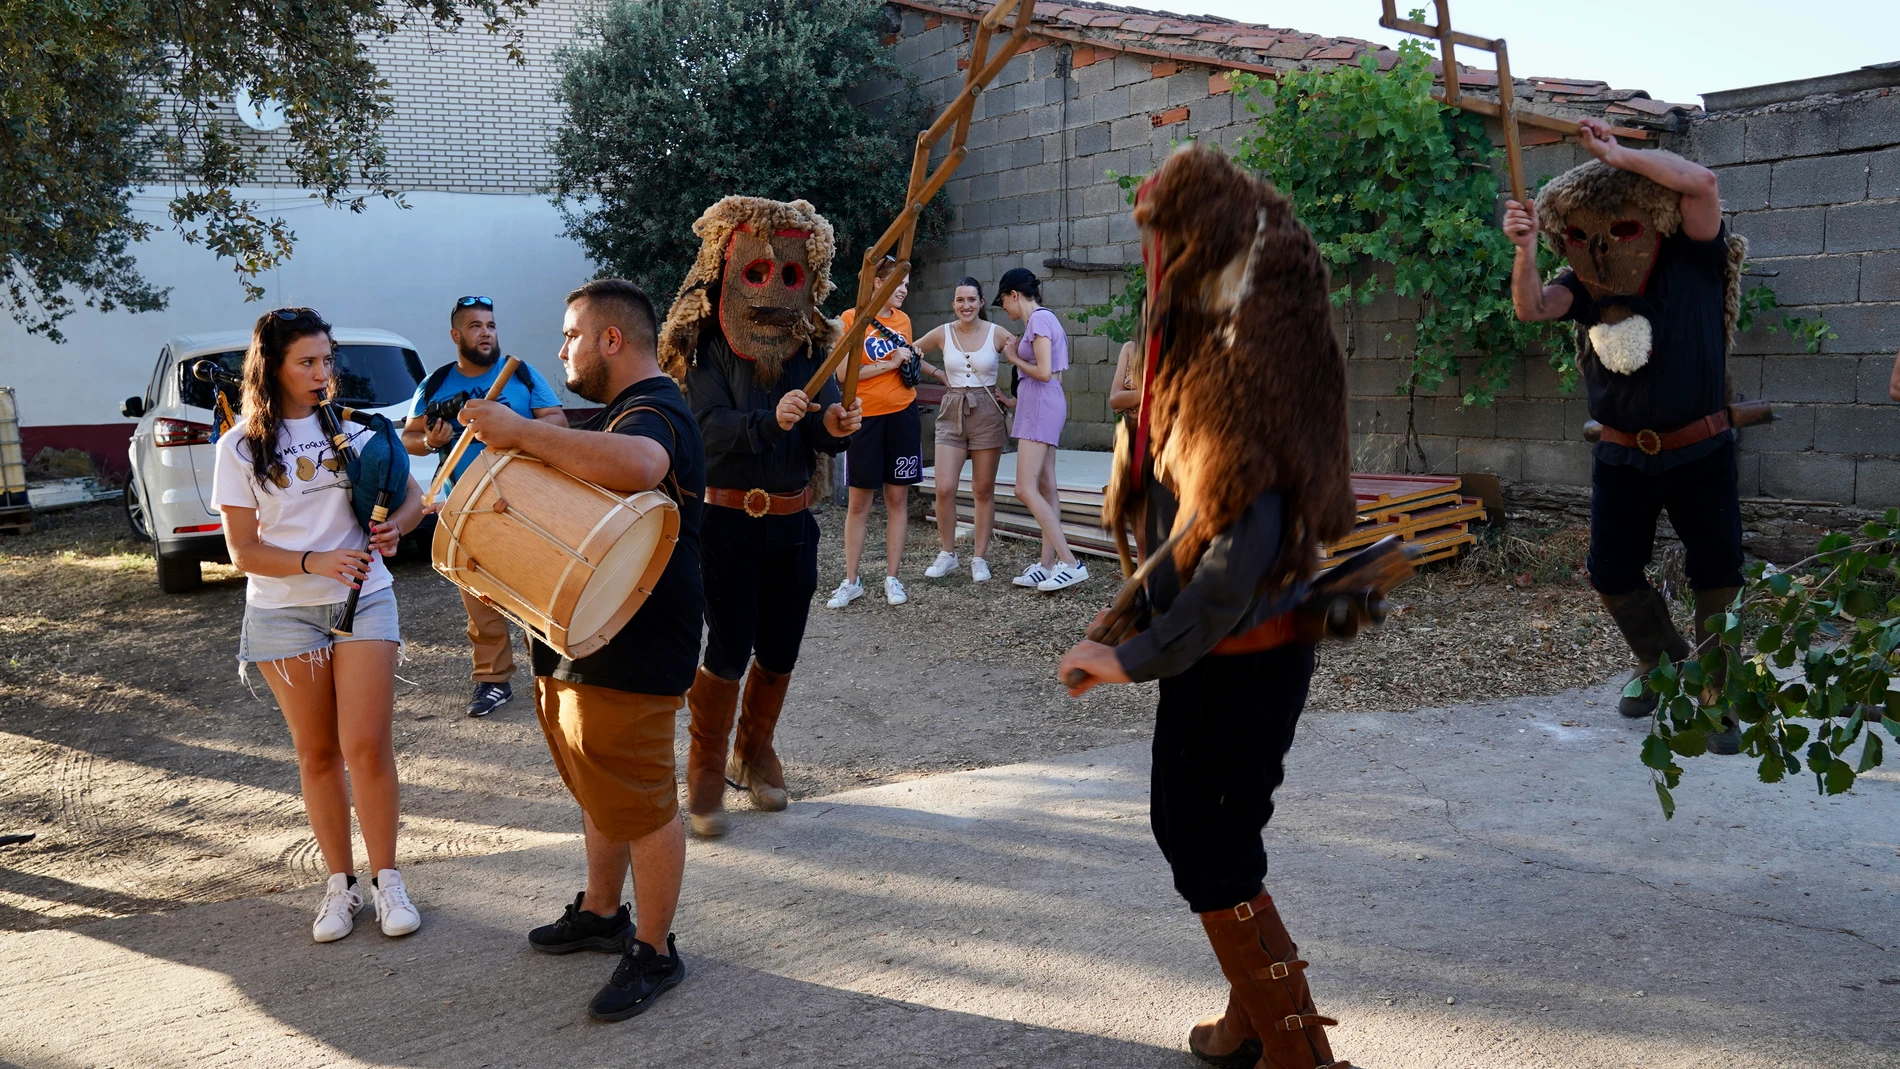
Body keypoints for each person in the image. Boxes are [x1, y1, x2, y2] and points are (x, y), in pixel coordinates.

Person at [1058, 144, 1359, 1069]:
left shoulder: (1242, 377)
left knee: (1207, 840)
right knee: (1212, 831)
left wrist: (1135, 653)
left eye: (1160, 237)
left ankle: (1296, 1046)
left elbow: (1236, 557)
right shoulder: (1222, 350)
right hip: (1236, 649)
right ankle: (1256, 1022)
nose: (1152, 256)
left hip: (1242, 648)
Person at [454, 278, 701, 1022]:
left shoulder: (658, 412)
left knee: (643, 794)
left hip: (635, 641)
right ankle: (602, 911)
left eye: (570, 334)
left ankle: (656, 948)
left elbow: (642, 468)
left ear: (610, 339)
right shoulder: (623, 412)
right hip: (587, 633)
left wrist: (521, 431)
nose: (562, 347)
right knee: (601, 780)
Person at [1504, 116, 1747, 752]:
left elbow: (1702, 181)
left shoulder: (1694, 252)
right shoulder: (1587, 279)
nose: (1605, 242)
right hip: (1620, 455)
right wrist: (1525, 249)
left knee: (1717, 571)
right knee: (1611, 572)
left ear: (1648, 214)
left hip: (1702, 448)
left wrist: (1617, 155)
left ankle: (1719, 695)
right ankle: (1664, 667)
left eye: (1620, 227)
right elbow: (1532, 307)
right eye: (1586, 234)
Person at [213, 307, 428, 944]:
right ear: (272, 366)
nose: (321, 373)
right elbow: (243, 552)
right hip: (282, 612)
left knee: (366, 745)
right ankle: (342, 887)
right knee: (317, 754)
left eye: (326, 360)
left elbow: (412, 494)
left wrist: (400, 524)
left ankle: (389, 880)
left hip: (365, 597)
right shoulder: (239, 447)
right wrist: (315, 559)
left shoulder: (358, 430)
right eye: (306, 362)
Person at [654, 196, 862, 838]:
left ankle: (755, 750)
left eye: (790, 277)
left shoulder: (810, 345)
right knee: (728, 646)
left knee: (782, 646)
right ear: (726, 268)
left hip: (794, 523)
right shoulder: (707, 346)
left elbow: (823, 431)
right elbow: (706, 431)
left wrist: (834, 424)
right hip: (726, 525)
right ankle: (707, 770)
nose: (773, 289)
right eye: (756, 273)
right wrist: (769, 422)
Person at [402, 296, 568, 718]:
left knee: (538, 587)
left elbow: (558, 422)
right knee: (479, 596)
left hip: (526, 498)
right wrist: (432, 442)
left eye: (491, 325)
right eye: (475, 326)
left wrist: (514, 428)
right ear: (457, 335)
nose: (486, 333)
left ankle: (552, 674)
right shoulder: (435, 384)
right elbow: (409, 439)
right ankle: (493, 682)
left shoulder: (521, 373)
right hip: (466, 504)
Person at [827, 257, 925, 608]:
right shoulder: (850, 320)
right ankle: (851, 581)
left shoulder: (904, 321)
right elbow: (841, 375)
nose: (903, 289)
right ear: (875, 283)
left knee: (898, 498)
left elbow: (903, 368)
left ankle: (893, 577)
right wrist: (890, 362)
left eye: (906, 284)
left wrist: (909, 360)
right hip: (865, 417)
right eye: (897, 282)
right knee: (859, 501)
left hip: (903, 413)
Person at [910, 276, 1015, 583]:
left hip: (986, 410)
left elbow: (1025, 357)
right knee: (944, 488)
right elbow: (910, 349)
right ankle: (948, 553)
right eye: (960, 300)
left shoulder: (997, 333)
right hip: (952, 406)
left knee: (983, 490)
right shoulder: (943, 332)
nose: (965, 305)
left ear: (981, 302)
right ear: (953, 304)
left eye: (971, 299)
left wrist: (1011, 399)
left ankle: (979, 557)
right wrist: (937, 372)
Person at [995, 267, 1088, 592]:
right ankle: (1048, 564)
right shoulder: (1040, 321)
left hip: (1041, 407)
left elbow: (1045, 372)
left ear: (1014, 295)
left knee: (1025, 488)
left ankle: (1070, 562)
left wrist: (1012, 356)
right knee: (1047, 487)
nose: (1004, 309)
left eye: (1003, 301)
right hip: (1038, 405)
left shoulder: (1039, 320)